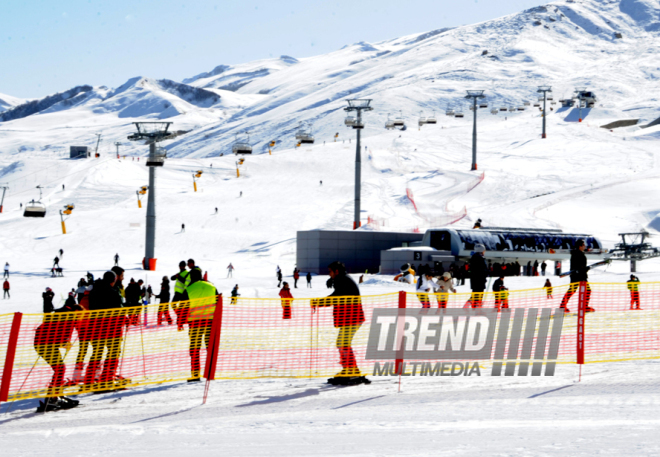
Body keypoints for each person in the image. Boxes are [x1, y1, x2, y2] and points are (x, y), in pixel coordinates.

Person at [311, 261, 367, 384]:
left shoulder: (343, 280)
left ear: (336, 271)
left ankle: (351, 370)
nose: (329, 274)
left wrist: (318, 302)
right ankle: (350, 369)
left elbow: (336, 297)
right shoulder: (342, 279)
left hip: (353, 318)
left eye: (330, 272)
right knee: (342, 343)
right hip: (350, 318)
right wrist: (334, 281)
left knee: (343, 343)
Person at [33, 298, 82, 412]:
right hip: (44, 344)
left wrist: (64, 343)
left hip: (44, 343)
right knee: (60, 369)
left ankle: (54, 396)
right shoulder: (69, 316)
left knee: (60, 369)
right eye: (80, 315)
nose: (80, 318)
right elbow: (60, 334)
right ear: (76, 312)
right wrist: (65, 343)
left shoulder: (65, 313)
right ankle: (52, 398)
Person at [85, 271, 126, 390]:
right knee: (113, 352)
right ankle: (107, 378)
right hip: (112, 327)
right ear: (113, 281)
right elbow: (119, 310)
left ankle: (89, 379)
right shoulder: (113, 292)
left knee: (97, 352)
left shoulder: (94, 291)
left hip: (96, 326)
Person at [178, 268, 219, 381]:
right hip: (210, 323)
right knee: (210, 348)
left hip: (195, 323)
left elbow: (183, 308)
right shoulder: (212, 287)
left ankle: (195, 375)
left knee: (195, 349)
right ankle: (210, 373)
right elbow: (218, 303)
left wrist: (180, 322)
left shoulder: (189, 289)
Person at [559, 239, 594, 313]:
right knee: (583, 290)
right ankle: (583, 306)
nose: (585, 246)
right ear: (580, 246)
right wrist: (585, 268)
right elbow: (578, 266)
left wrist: (584, 269)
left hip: (580, 275)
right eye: (583, 245)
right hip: (578, 276)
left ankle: (563, 306)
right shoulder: (577, 254)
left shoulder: (578, 253)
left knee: (584, 290)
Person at [171, 261, 191, 331]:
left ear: (184, 266)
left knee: (176, 306)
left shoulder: (186, 273)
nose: (181, 267)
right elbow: (172, 278)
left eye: (182, 266)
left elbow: (185, 281)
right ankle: (180, 318)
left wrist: (178, 277)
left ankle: (180, 322)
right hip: (178, 293)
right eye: (180, 266)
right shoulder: (180, 273)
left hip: (182, 293)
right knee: (176, 306)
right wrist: (176, 276)